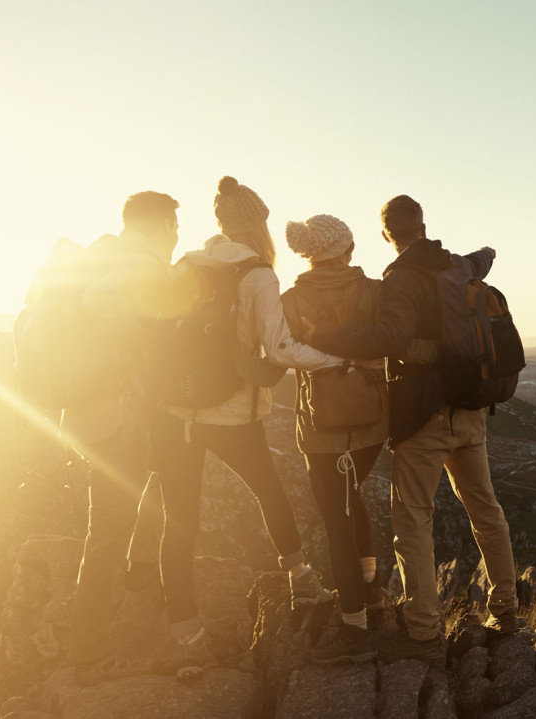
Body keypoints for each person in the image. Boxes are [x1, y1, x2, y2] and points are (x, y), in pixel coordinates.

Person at [302, 195, 518, 662]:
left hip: (424, 418)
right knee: (486, 511)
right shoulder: (460, 265)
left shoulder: (398, 279)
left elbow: (389, 339)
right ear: (423, 225)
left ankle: (422, 631)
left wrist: (323, 337)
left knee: (413, 524)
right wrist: (488, 253)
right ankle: (507, 611)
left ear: (385, 235)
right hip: (472, 413)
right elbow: (484, 257)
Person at [151, 177, 341, 679]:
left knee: (179, 521)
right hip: (231, 412)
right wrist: (336, 360)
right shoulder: (257, 273)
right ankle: (301, 578)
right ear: (258, 224)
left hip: (175, 411)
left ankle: (187, 636)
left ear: (220, 223)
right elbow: (279, 349)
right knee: (269, 491)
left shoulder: (189, 263)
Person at [61, 191, 178, 686]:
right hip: (115, 414)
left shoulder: (111, 256)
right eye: (173, 227)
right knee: (107, 531)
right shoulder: (139, 263)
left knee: (162, 472)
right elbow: (99, 300)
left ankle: (142, 564)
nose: (176, 237)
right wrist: (139, 339)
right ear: (157, 228)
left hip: (101, 412)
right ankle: (87, 654)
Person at [281, 214, 388, 664]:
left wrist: (325, 356)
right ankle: (372, 592)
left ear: (310, 254)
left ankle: (355, 625)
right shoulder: (374, 292)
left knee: (336, 520)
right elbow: (387, 343)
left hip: (320, 429)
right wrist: (350, 359)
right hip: (370, 424)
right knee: (352, 497)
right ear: (347, 249)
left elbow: (282, 353)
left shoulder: (289, 300)